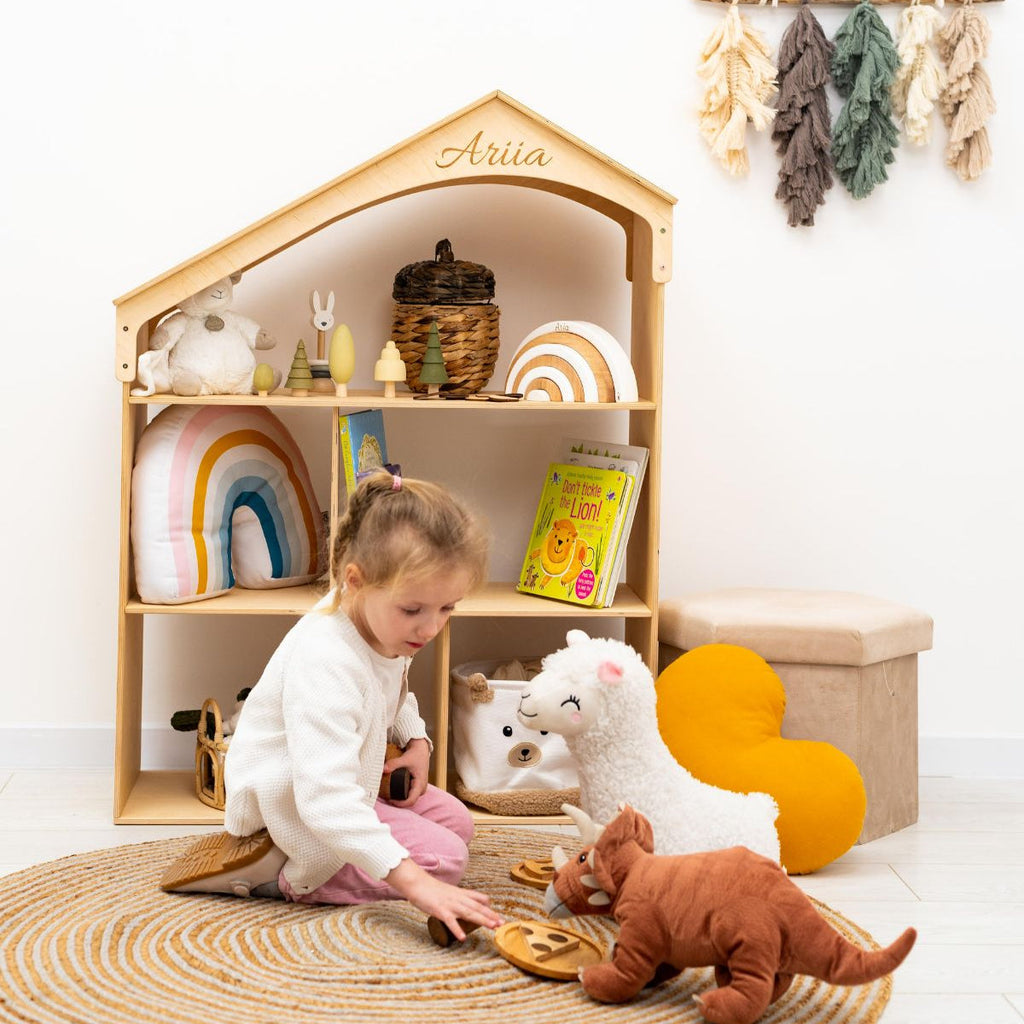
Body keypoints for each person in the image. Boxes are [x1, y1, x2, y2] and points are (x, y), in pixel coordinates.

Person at [160, 470, 502, 941]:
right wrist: (416, 884)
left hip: (340, 779)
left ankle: (359, 845)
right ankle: (285, 874)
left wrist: (417, 742)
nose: (430, 629)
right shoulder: (326, 659)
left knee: (457, 822)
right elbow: (323, 800)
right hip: (298, 807)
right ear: (355, 581)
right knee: (444, 861)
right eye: (413, 610)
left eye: (447, 609)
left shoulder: (381, 628)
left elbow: (393, 689)